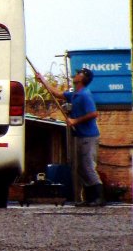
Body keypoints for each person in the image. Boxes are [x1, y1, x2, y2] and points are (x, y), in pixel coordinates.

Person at [35, 68, 104, 207]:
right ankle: (90, 198)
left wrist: (75, 121)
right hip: (80, 136)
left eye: (80, 73)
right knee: (81, 168)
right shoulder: (74, 94)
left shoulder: (85, 95)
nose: (76, 74)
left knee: (88, 167)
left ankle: (99, 198)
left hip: (89, 136)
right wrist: (43, 80)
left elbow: (93, 113)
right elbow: (57, 93)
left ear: (83, 79)